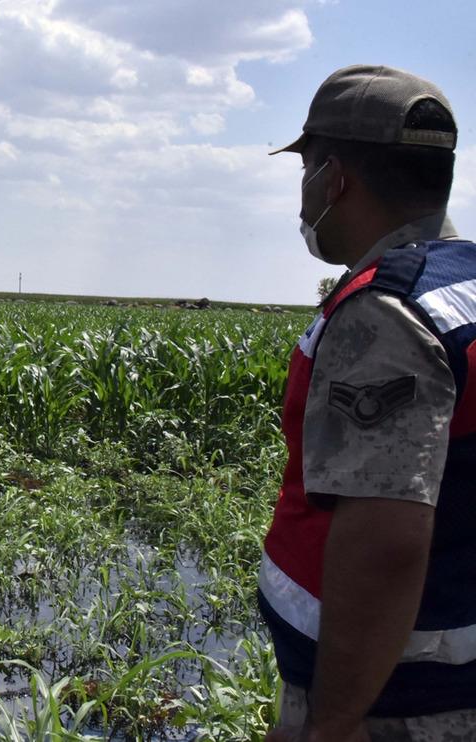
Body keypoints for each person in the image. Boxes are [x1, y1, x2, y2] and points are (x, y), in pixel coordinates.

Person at [259, 65, 476, 741]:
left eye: (307, 170)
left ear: (335, 179)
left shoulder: (386, 316)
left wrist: (334, 721)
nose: (303, 194)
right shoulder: (463, 281)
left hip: (395, 700)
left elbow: (386, 542)